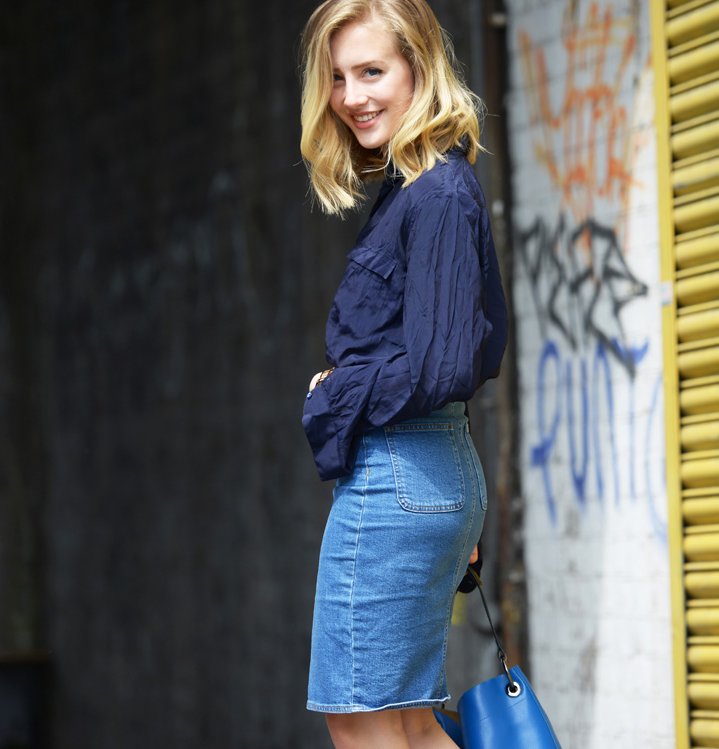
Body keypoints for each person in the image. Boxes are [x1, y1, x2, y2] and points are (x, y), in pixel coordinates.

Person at [298, 1, 508, 746]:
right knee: (408, 725)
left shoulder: (438, 193)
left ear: (419, 68)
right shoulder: (416, 189)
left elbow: (446, 363)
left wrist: (339, 391)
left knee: (361, 723)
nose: (351, 96)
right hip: (424, 471)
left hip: (400, 478)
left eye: (371, 72)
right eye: (338, 77)